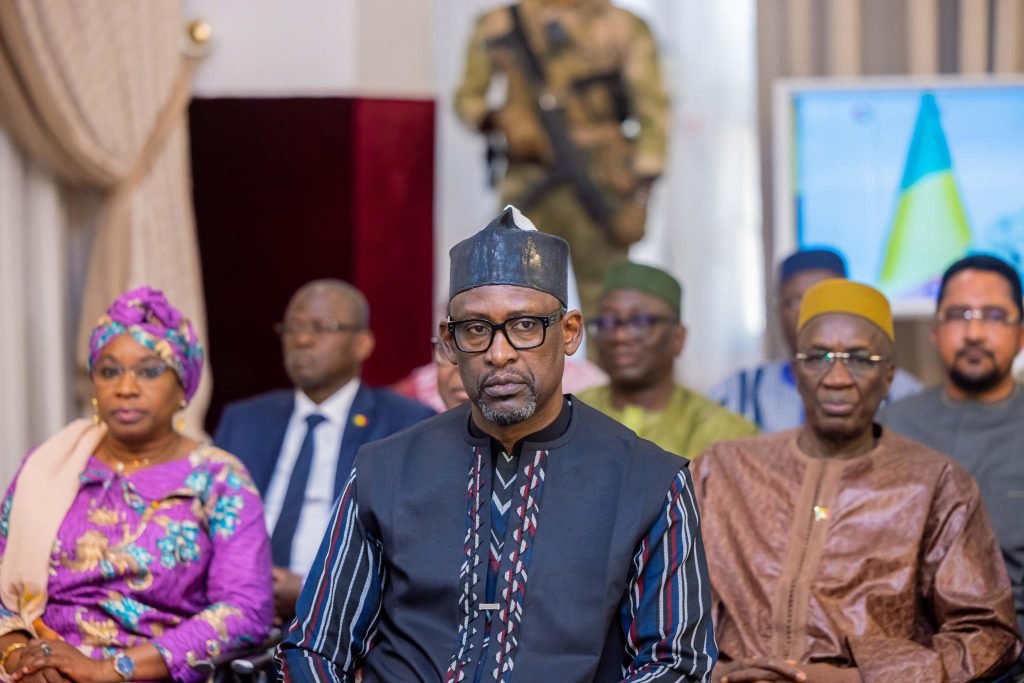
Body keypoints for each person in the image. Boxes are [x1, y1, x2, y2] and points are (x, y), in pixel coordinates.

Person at [278, 207, 716, 682]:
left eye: (525, 325)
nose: (499, 353)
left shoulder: (648, 482)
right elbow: (316, 646)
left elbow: (676, 663)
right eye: (475, 329)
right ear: (449, 342)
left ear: (569, 332)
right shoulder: (385, 470)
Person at [692, 279, 1021, 682]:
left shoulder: (933, 483)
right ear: (796, 371)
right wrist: (716, 673)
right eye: (818, 357)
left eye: (860, 359)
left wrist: (854, 678)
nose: (837, 378)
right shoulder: (723, 469)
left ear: (888, 377)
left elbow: (988, 636)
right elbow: (660, 610)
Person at [0, 287, 272, 683]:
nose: (125, 388)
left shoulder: (219, 479)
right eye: (109, 371)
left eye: (149, 371)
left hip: (148, 674)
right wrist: (18, 658)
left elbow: (246, 610)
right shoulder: (49, 464)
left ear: (183, 387)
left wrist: (109, 670)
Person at [214, 280, 434, 623]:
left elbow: (412, 549)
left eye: (321, 327)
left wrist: (312, 591)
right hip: (235, 614)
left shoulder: (405, 424)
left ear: (362, 344)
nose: (302, 340)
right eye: (293, 328)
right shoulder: (244, 420)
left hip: (345, 623)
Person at [454, 0, 670, 320]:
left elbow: (654, 115)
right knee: (514, 298)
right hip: (530, 178)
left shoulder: (622, 26)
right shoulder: (499, 24)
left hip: (601, 185)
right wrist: (502, 120)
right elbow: (467, 99)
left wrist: (640, 198)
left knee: (606, 308)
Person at [880, 254, 1024, 641]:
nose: (974, 333)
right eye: (958, 315)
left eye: (994, 316)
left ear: (1021, 334)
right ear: (935, 331)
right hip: (911, 653)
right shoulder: (893, 427)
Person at [710, 248, 921, 431]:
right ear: (777, 310)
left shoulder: (905, 395)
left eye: (824, 299)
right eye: (795, 302)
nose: (808, 313)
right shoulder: (737, 393)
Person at [579, 261, 757, 459]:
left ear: (678, 338)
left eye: (640, 322)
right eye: (608, 322)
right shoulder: (569, 417)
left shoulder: (726, 433)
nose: (620, 336)